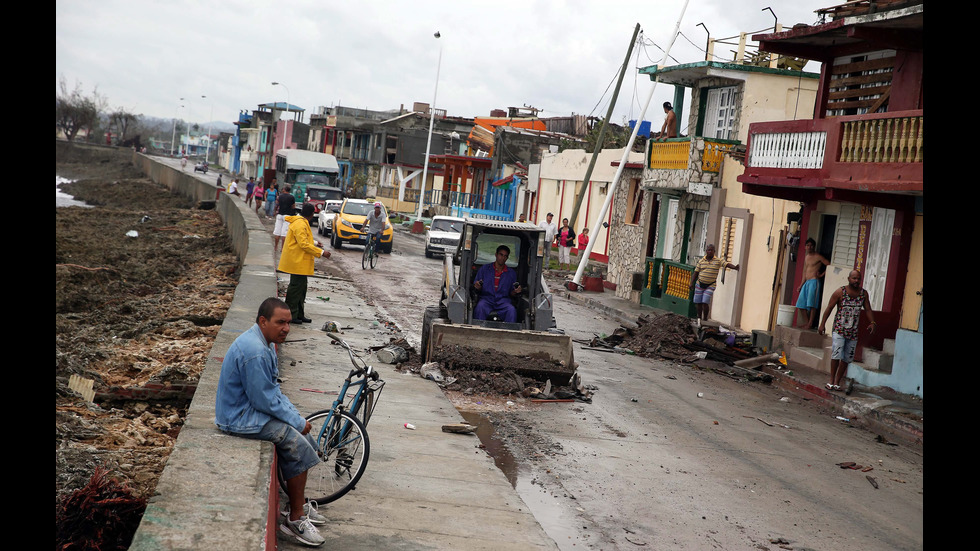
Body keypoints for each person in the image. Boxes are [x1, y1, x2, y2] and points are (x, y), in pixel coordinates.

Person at [214, 297, 327, 547]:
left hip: (250, 409)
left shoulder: (265, 343)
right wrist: (296, 422)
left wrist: (296, 418)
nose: (286, 328)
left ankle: (299, 504)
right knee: (296, 444)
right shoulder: (255, 351)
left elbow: (273, 391)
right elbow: (263, 401)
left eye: (288, 322)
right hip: (239, 417)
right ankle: (295, 519)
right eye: (280, 322)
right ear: (263, 321)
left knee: (305, 437)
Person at [818, 270, 876, 392]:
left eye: (858, 279)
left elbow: (868, 309)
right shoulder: (840, 292)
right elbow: (829, 308)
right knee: (836, 354)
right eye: (854, 278)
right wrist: (822, 324)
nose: (856, 281)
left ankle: (837, 382)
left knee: (847, 358)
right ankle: (831, 380)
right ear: (849, 279)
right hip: (839, 329)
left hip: (853, 332)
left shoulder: (863, 294)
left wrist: (872, 322)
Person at [277, 203, 330, 324]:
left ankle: (299, 314)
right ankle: (291, 315)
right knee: (295, 289)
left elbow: (304, 239)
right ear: (312, 214)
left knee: (302, 289)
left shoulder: (301, 222)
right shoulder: (300, 223)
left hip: (300, 263)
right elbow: (303, 244)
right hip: (296, 262)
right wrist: (321, 253)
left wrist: (315, 243)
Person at [690, 244, 739, 322]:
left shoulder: (718, 261)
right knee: (698, 302)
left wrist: (735, 267)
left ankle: (705, 318)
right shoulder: (701, 261)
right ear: (706, 251)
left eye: (711, 250)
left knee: (705, 301)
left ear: (714, 251)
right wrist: (691, 283)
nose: (710, 251)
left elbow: (726, 264)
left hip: (710, 285)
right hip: (700, 284)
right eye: (708, 250)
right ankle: (699, 317)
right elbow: (696, 272)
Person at [473, 245, 522, 323]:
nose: (502, 258)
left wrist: (516, 291)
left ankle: (509, 333)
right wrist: (477, 286)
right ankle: (478, 332)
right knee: (480, 307)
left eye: (505, 256)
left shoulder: (511, 273)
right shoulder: (484, 269)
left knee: (511, 310)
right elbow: (476, 288)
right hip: (486, 300)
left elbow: (512, 293)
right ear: (496, 254)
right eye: (501, 255)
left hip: (503, 302)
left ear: (507, 258)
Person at [795, 238, 830, 329]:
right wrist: (801, 284)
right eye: (807, 245)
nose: (809, 247)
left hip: (814, 282)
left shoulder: (818, 256)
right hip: (807, 282)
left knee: (812, 304)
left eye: (811, 245)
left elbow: (829, 264)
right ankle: (807, 323)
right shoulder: (807, 257)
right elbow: (804, 272)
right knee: (801, 304)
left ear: (814, 246)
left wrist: (821, 275)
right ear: (805, 247)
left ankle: (810, 323)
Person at [273, 184, 296, 254]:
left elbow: (276, 205)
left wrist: (274, 212)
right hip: (287, 216)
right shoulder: (292, 197)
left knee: (277, 232)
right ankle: (282, 248)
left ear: (284, 189)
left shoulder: (280, 196)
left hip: (280, 215)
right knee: (284, 233)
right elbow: (293, 207)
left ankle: (275, 247)